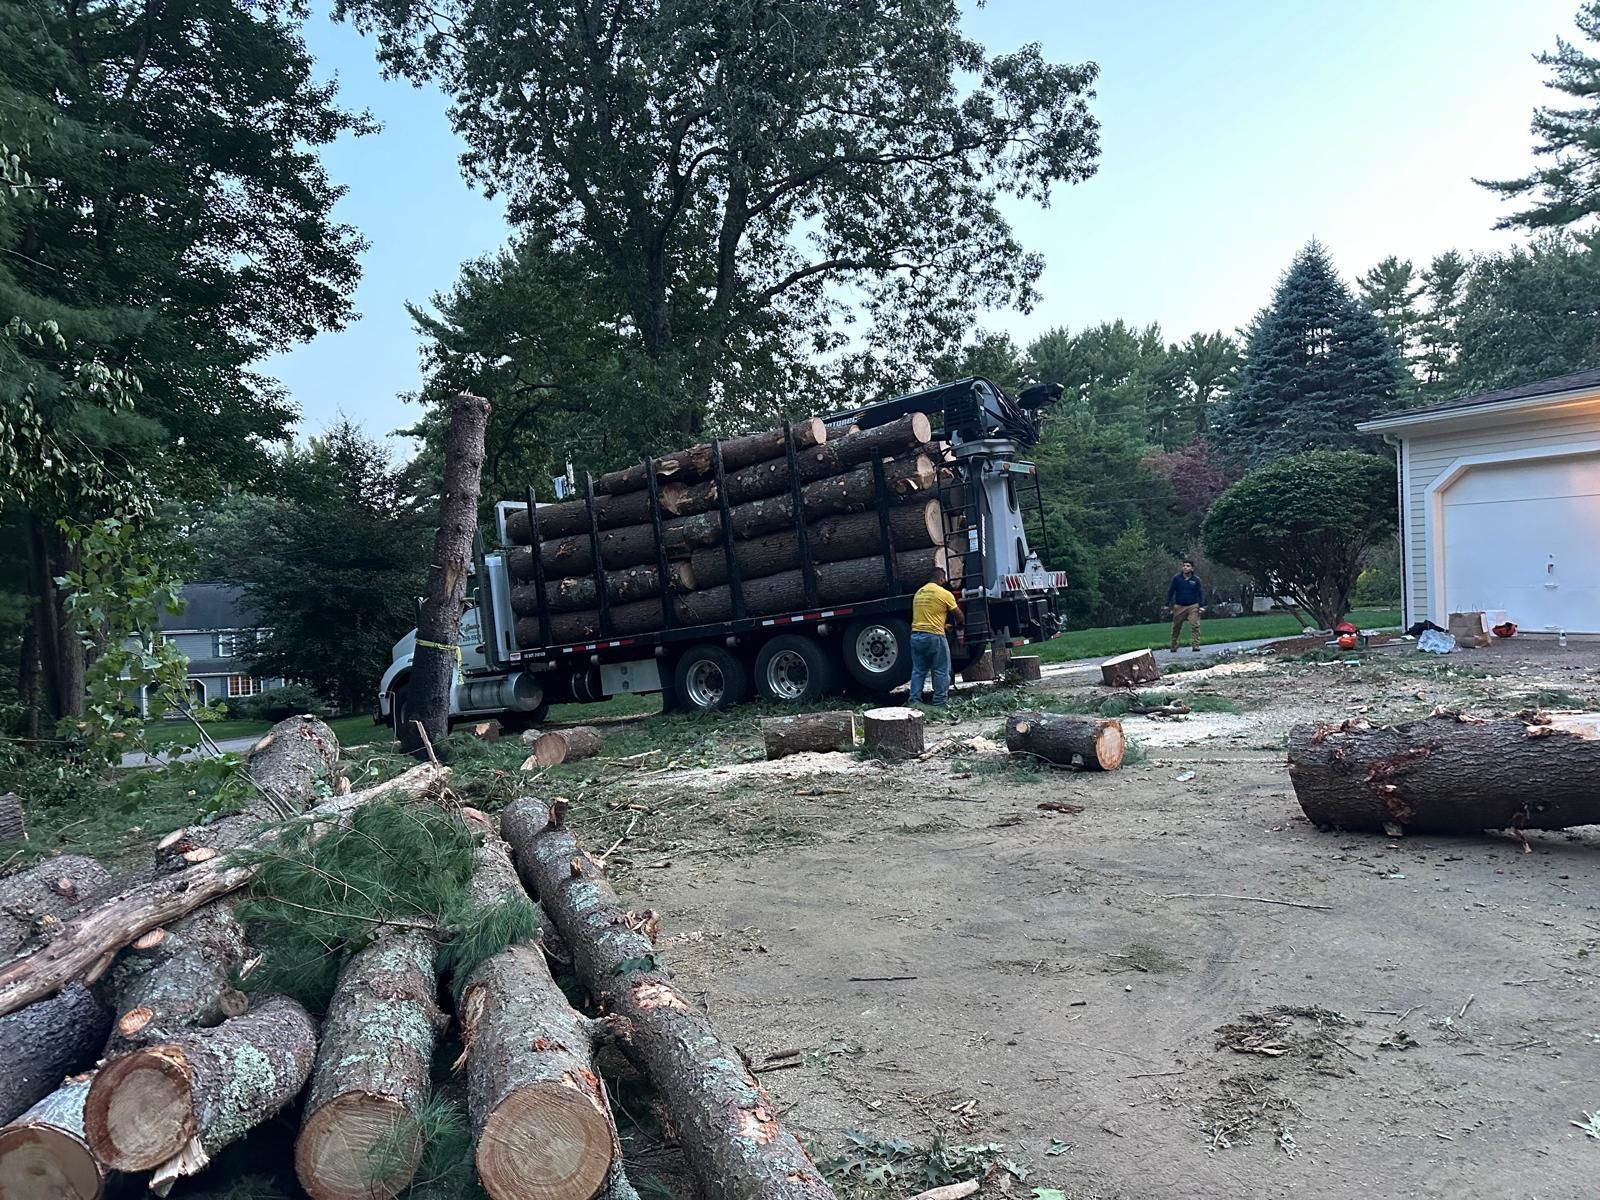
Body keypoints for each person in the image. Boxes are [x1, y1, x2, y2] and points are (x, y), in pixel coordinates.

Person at [909, 567, 963, 706]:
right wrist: (960, 625)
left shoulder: (919, 593)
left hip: (916, 636)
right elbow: (958, 615)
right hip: (934, 637)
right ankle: (939, 703)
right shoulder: (944, 594)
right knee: (941, 670)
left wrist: (943, 626)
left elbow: (926, 616)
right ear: (941, 579)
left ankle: (914, 701)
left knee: (918, 671)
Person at [1166, 559, 1204, 651]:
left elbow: (1200, 593)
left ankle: (1196, 645)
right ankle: (1174, 644)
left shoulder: (1196, 580)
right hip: (1179, 606)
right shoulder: (1177, 579)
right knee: (1176, 627)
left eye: (1188, 566)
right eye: (1184, 566)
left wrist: (1202, 606)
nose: (1185, 568)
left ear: (1192, 568)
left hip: (1193, 605)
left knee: (1195, 625)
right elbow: (1171, 591)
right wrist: (1167, 603)